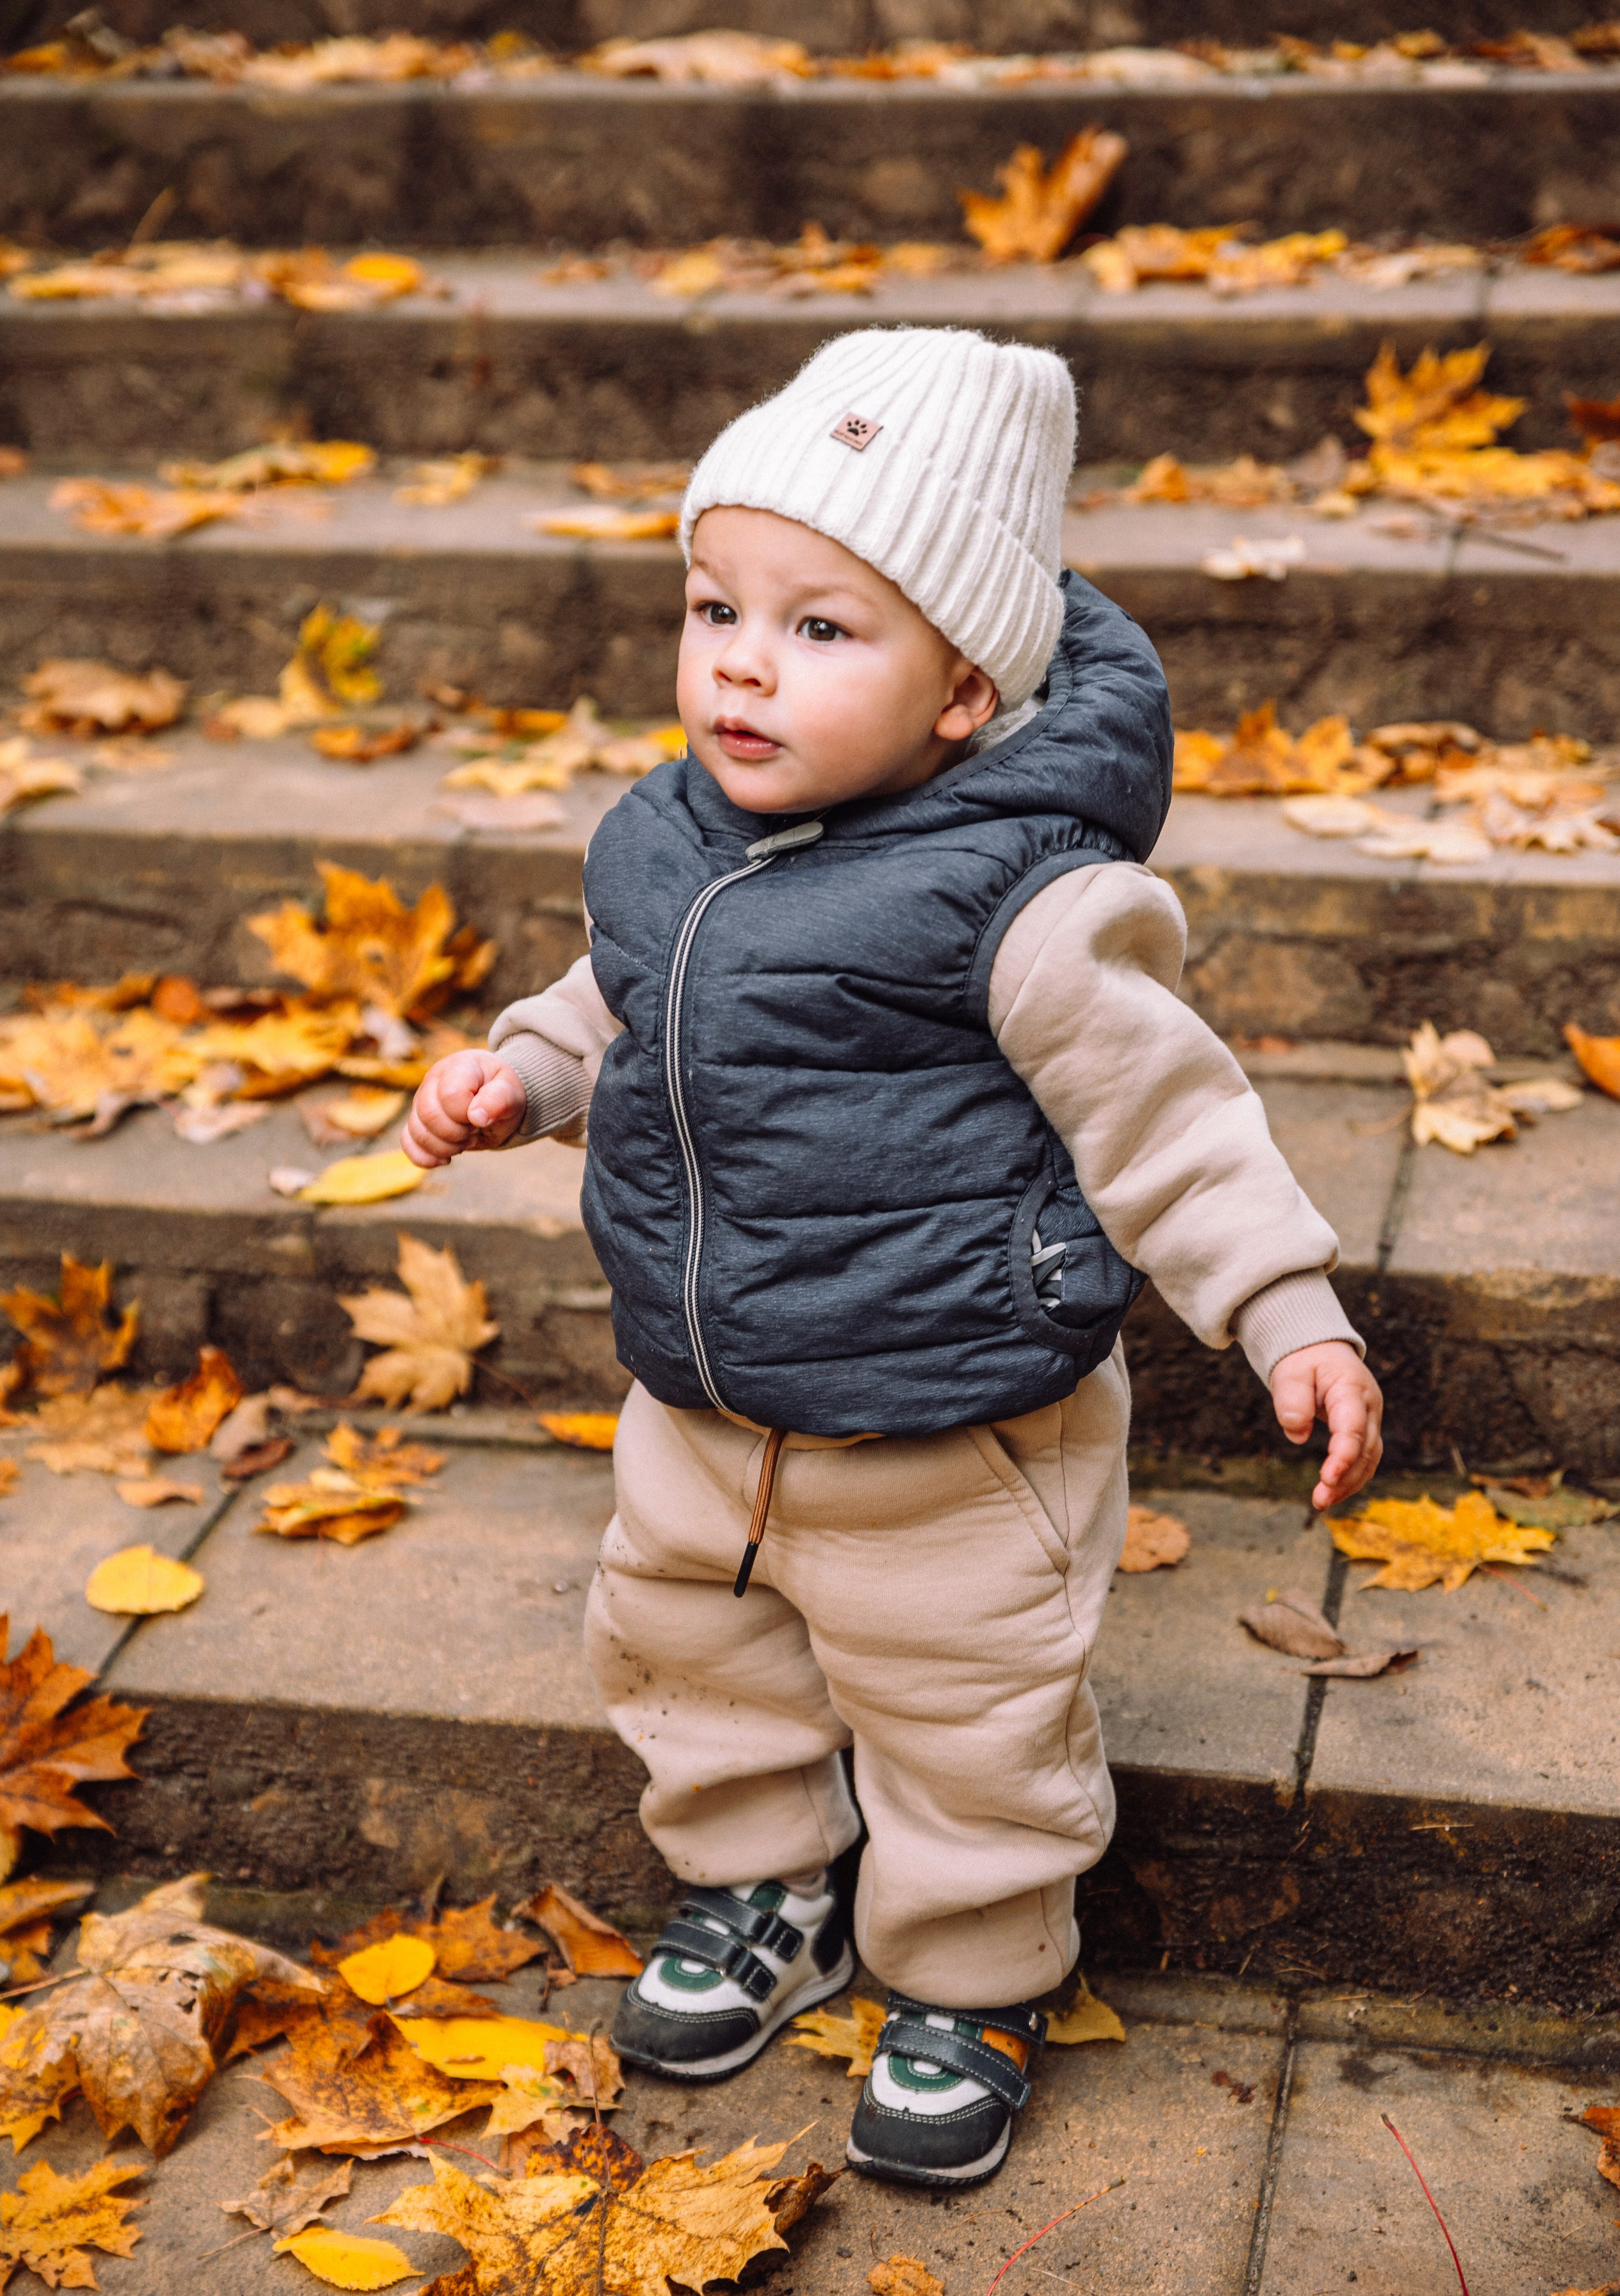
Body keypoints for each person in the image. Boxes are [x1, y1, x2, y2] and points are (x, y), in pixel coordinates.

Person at [403, 327, 1383, 2189]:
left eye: (822, 628)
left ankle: (972, 1973)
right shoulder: (674, 841)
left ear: (964, 692)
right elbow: (618, 1000)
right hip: (703, 1401)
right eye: (714, 608)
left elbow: (1170, 1117)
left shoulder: (1030, 897)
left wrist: (1283, 1309)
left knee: (970, 1715)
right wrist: (517, 1075)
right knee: (691, 1655)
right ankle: (761, 1888)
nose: (743, 661)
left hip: (953, 1426)